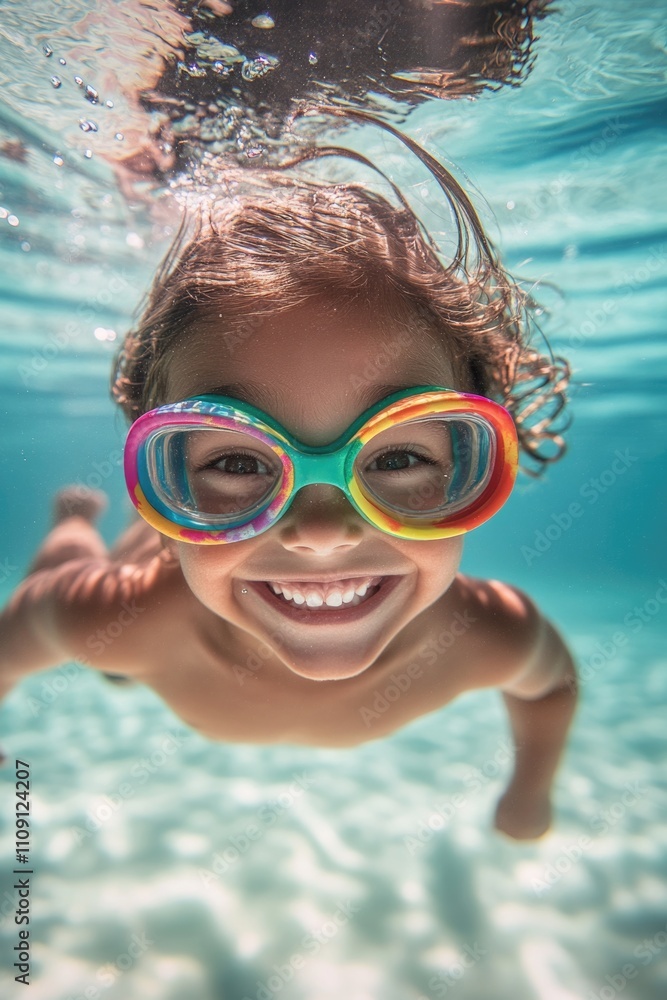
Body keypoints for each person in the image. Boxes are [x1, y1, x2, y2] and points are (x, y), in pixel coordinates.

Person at [0, 136, 577, 841]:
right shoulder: (121, 620)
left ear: (468, 465)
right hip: (151, 565)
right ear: (159, 464)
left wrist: (530, 788)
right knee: (77, 577)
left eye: (396, 458)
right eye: (239, 461)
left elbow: (550, 687)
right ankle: (76, 515)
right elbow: (18, 632)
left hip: (209, 548)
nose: (321, 532)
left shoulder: (488, 634)